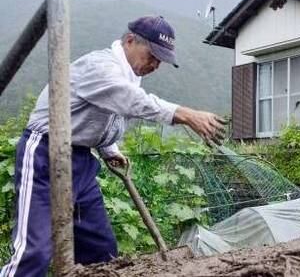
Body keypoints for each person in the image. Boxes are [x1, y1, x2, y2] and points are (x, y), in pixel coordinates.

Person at [0, 16, 226, 276]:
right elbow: (128, 100)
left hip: (82, 160)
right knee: (34, 253)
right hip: (45, 154)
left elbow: (105, 115)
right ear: (130, 41)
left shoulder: (129, 75)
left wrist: (109, 149)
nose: (155, 65)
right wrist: (186, 114)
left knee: (101, 252)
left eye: (160, 60)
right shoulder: (101, 66)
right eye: (152, 55)